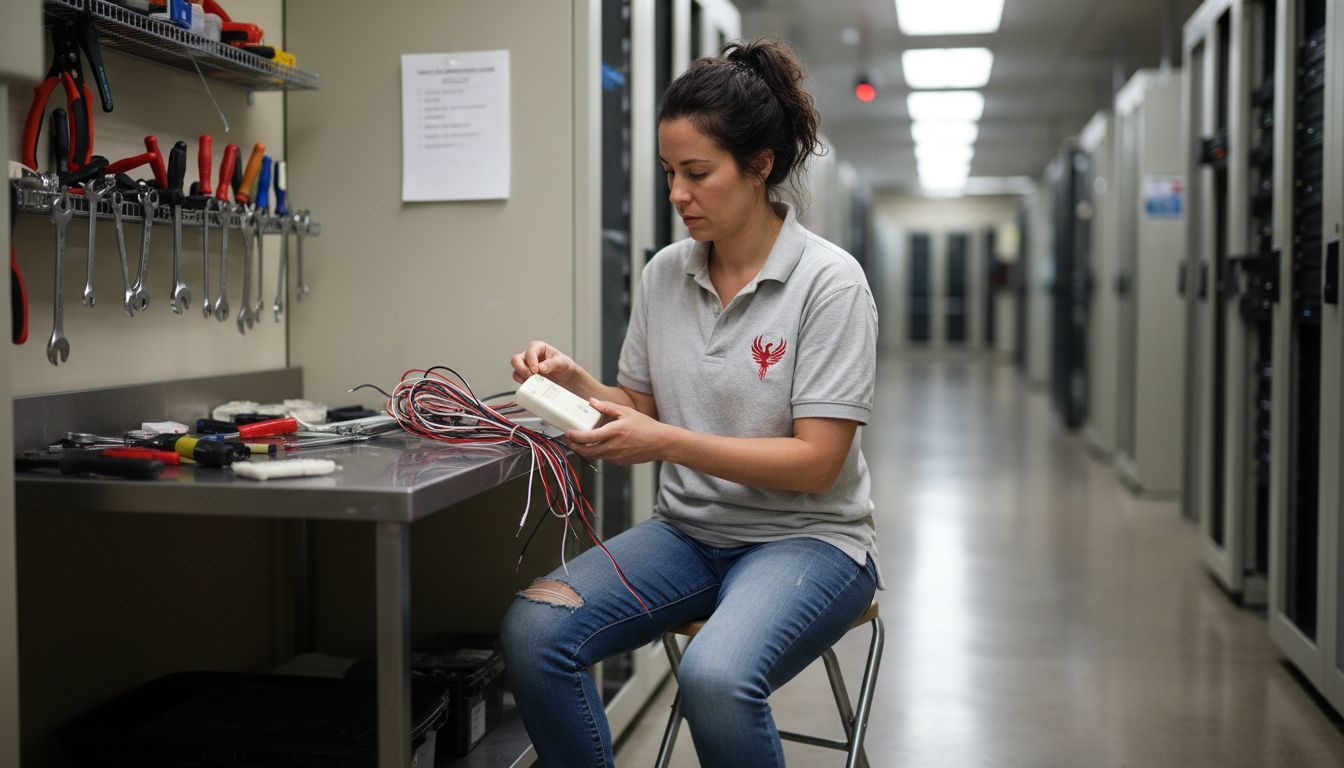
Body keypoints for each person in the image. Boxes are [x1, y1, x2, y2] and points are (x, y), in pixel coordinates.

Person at [500, 38, 880, 768]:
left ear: (760, 164)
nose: (677, 195)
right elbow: (638, 405)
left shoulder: (831, 284)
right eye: (671, 173)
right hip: (688, 534)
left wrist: (664, 442)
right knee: (534, 631)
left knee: (715, 675)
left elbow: (818, 464)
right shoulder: (664, 275)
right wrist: (578, 387)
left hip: (810, 543)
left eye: (697, 174)